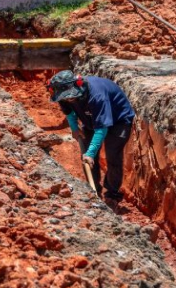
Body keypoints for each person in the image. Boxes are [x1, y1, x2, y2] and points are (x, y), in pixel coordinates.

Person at [47, 70, 135, 206]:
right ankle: (94, 191)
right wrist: (75, 130)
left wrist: (90, 153)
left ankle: (112, 194)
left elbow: (102, 129)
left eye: (71, 97)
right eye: (66, 98)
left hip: (119, 121)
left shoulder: (97, 96)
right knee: (87, 157)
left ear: (78, 87)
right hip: (91, 119)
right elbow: (69, 112)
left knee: (113, 155)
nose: (69, 100)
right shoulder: (62, 95)